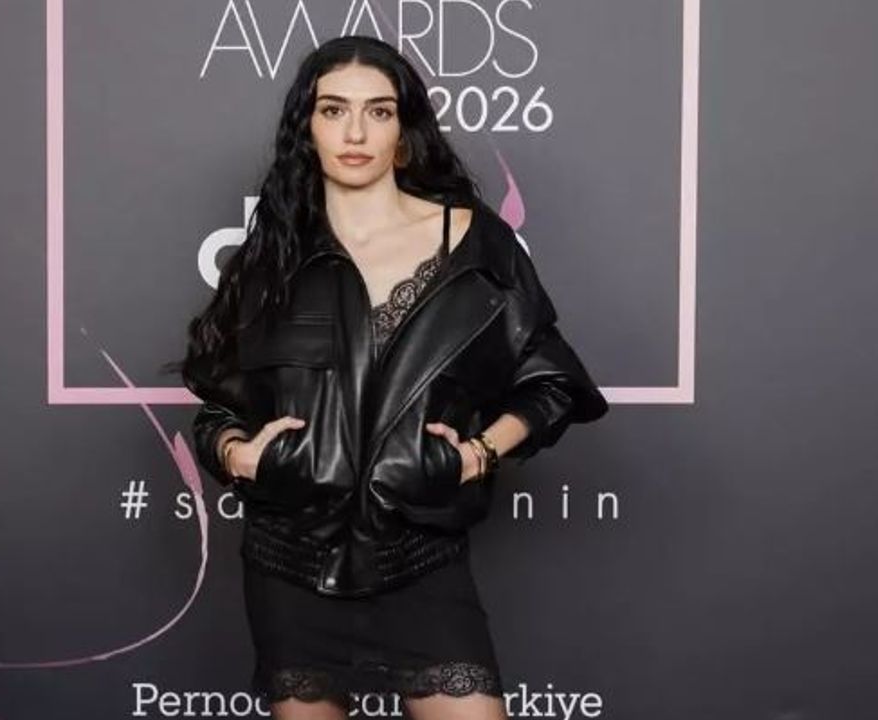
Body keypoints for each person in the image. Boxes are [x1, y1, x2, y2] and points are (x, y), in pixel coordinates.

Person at [174, 35, 609, 720]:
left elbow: (553, 383)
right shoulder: (273, 255)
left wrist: (477, 453)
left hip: (421, 557)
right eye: (333, 110)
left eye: (378, 111)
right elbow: (216, 408)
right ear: (307, 128)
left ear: (404, 130)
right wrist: (238, 454)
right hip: (291, 558)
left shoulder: (474, 243)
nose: (355, 133)